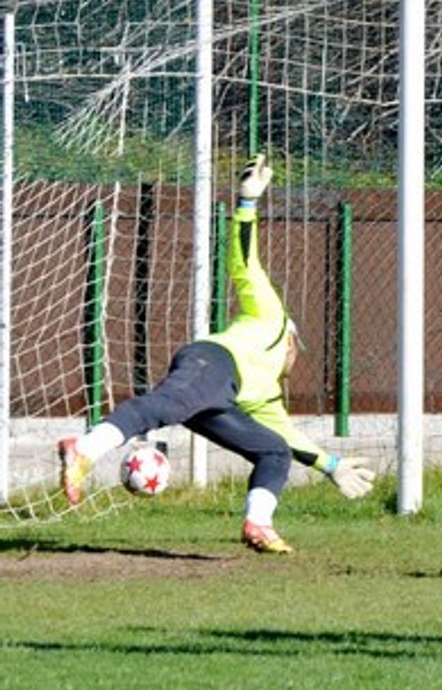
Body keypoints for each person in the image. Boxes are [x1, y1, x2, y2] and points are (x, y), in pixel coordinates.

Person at [58, 155, 375, 554]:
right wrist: (247, 204)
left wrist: (332, 466)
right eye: (298, 352)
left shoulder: (267, 396)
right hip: (212, 362)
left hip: (220, 397)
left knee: (273, 450)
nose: (295, 363)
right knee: (164, 406)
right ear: (292, 339)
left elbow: (290, 439)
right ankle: (83, 450)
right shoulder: (273, 317)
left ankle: (258, 524)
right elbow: (244, 263)